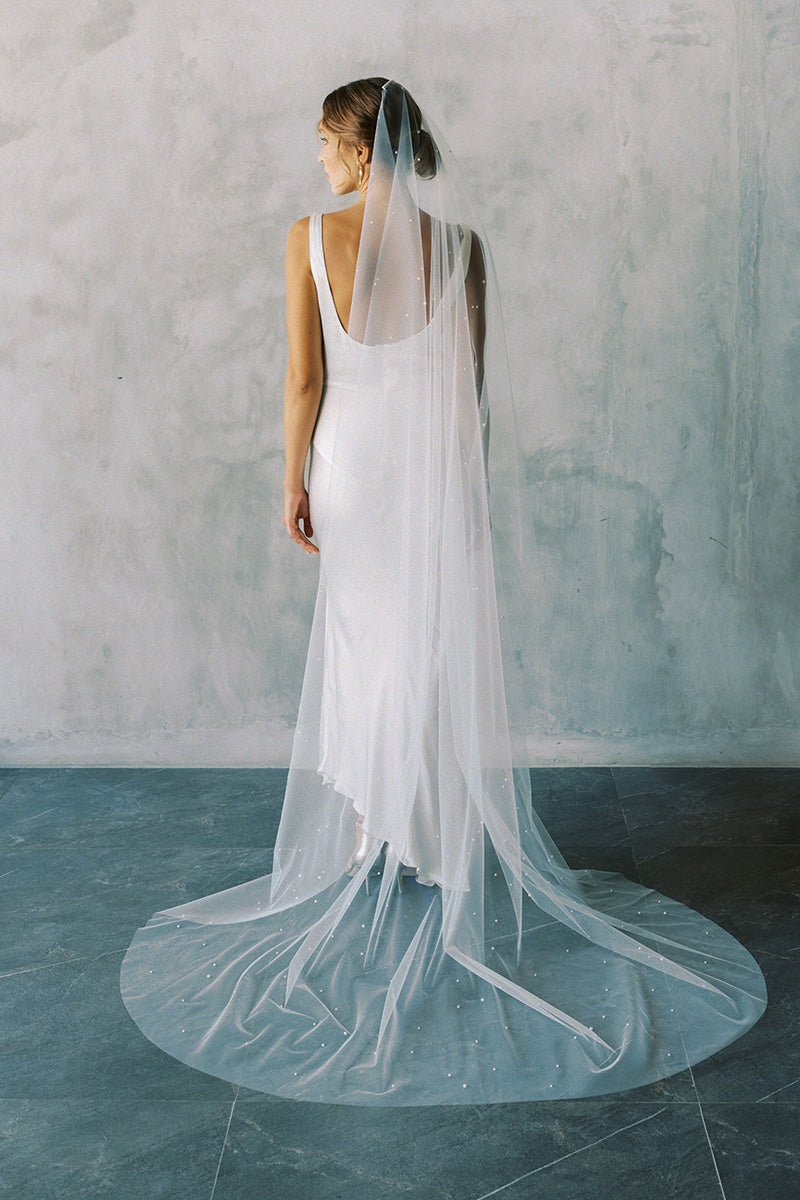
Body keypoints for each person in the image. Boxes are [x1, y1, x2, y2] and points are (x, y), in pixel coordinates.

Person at [121, 79, 767, 1106]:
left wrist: (289, 478)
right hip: (427, 472)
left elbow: (302, 380)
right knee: (419, 640)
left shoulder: (305, 237)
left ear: (349, 144)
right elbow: (469, 391)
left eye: (325, 146)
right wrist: (457, 489)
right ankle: (419, 829)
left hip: (350, 465)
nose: (322, 164)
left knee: (363, 639)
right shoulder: (464, 246)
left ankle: (384, 830)